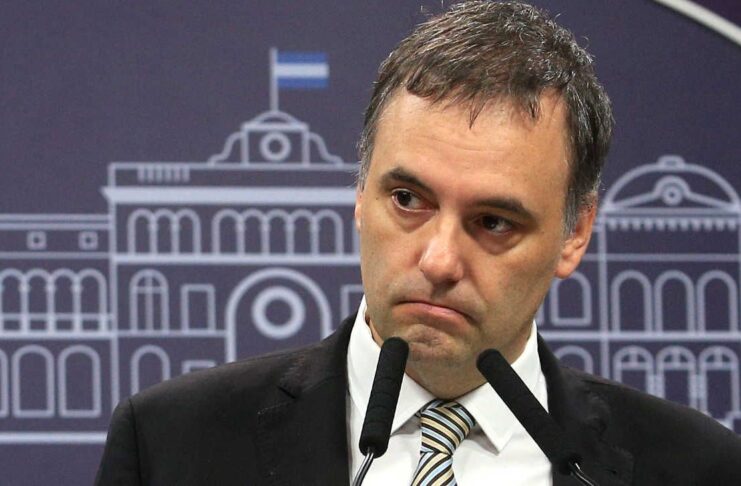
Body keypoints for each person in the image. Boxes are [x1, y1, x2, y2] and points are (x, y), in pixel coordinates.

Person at [95, 1, 741, 484]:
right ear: (360, 194)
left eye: (493, 222)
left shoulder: (697, 467)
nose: (438, 260)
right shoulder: (170, 445)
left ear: (574, 234)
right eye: (407, 200)